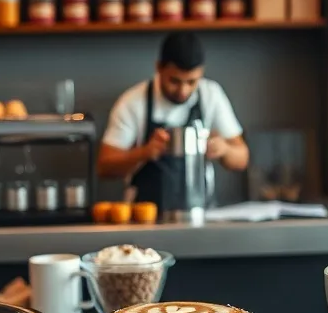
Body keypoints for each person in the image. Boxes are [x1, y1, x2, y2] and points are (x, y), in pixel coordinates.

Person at [97, 32, 249, 206]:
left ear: (201, 72)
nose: (183, 91)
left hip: (200, 211)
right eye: (174, 81)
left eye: (191, 82)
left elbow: (242, 158)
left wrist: (224, 150)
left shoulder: (211, 95)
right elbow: (104, 167)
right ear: (159, 68)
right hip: (146, 215)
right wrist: (144, 153)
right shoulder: (132, 102)